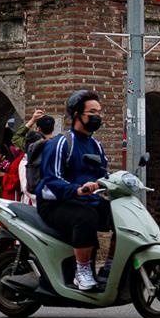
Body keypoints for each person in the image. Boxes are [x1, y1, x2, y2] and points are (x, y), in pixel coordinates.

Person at [36, 90, 112, 291]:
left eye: (100, 112)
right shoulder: (61, 143)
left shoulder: (96, 145)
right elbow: (52, 179)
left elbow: (104, 175)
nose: (98, 116)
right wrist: (77, 190)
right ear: (77, 114)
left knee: (119, 215)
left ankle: (110, 267)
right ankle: (82, 272)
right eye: (93, 112)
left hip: (86, 200)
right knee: (85, 217)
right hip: (55, 204)